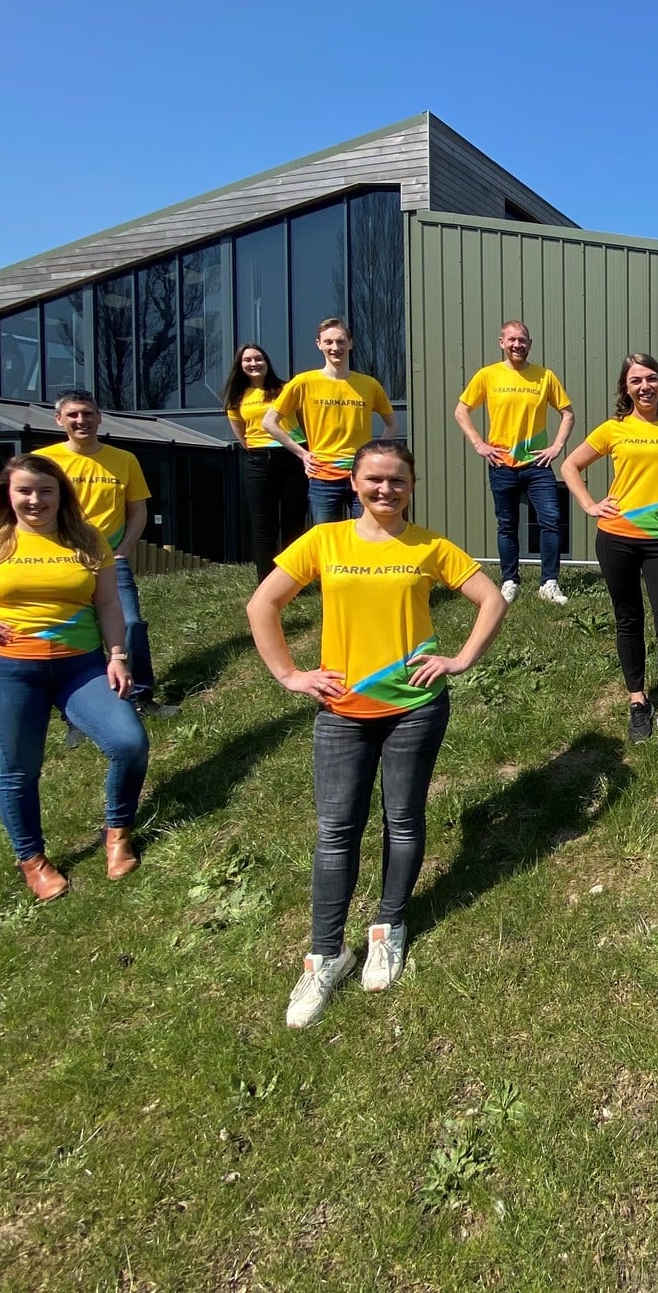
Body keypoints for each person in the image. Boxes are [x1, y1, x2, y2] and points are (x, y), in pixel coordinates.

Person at [247, 440, 507, 1029]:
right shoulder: (325, 541)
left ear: (412, 485)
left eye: (397, 481)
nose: (385, 490)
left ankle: (389, 926)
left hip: (415, 705)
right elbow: (263, 603)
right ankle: (325, 954)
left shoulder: (430, 547)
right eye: (374, 480)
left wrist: (459, 660)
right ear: (354, 482)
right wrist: (290, 674)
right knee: (336, 829)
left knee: (403, 818)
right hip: (342, 709)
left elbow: (490, 598)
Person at [0, 453, 149, 900]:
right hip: (9, 670)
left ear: (61, 494)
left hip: (81, 665)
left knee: (129, 743)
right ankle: (33, 860)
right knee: (19, 770)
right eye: (24, 490)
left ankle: (116, 832)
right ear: (8, 494)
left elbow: (108, 604)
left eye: (46, 490)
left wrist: (117, 656)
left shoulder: (86, 538)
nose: (35, 500)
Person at [559, 354, 658, 752]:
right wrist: (590, 504)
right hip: (615, 536)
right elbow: (569, 466)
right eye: (636, 381)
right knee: (628, 619)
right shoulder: (614, 429)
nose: (645, 386)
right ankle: (637, 701)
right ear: (626, 388)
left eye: (652, 379)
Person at [35, 390, 168, 713]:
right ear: (59, 420)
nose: (82, 421)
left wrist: (124, 549)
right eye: (73, 415)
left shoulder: (124, 460)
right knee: (73, 630)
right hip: (62, 560)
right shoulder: (45, 462)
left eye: (87, 414)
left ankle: (140, 695)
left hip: (111, 558)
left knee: (131, 623)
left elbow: (138, 512)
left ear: (99, 417)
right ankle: (78, 711)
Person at [452, 319, 576, 604]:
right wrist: (479, 444)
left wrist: (557, 446)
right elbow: (461, 411)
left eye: (522, 340)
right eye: (512, 340)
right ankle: (510, 581)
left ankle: (549, 583)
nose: (517, 345)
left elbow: (568, 413)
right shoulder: (488, 375)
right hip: (501, 463)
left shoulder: (544, 376)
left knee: (551, 521)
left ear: (529, 344)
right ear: (502, 343)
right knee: (507, 524)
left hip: (537, 464)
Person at [264, 318, 399, 524]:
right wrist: (302, 453)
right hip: (322, 478)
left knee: (369, 536)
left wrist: (374, 454)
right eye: (328, 342)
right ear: (319, 344)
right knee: (328, 541)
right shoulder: (304, 382)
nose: (335, 347)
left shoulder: (369, 384)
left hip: (362, 476)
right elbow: (269, 422)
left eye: (340, 341)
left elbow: (392, 425)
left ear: (350, 343)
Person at [224, 343, 308, 580]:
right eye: (247, 360)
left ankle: (295, 580)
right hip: (258, 462)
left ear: (267, 361)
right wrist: (258, 448)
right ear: (240, 366)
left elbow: (303, 420)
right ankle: (267, 581)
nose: (254, 364)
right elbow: (241, 433)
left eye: (258, 359)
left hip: (292, 458)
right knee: (263, 525)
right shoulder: (236, 398)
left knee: (293, 522)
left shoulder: (285, 389)